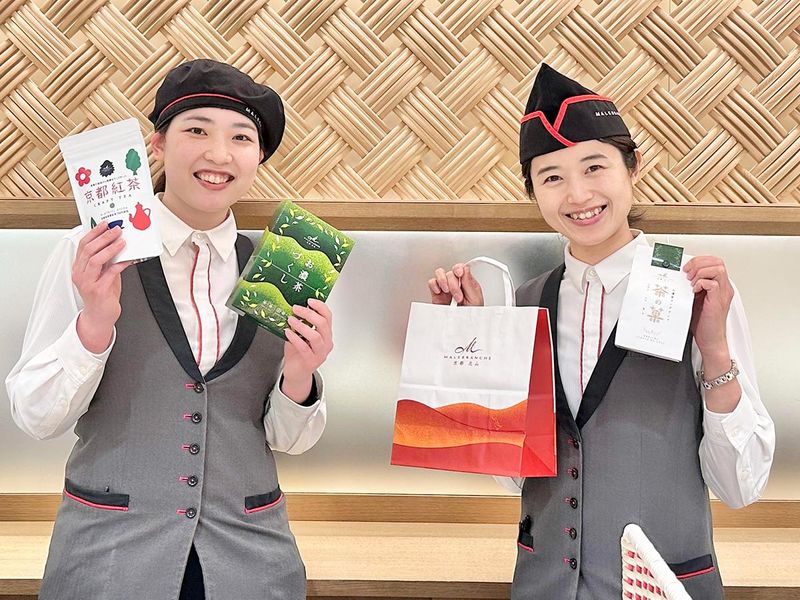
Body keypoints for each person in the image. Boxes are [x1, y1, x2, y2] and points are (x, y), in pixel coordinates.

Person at [428, 64, 774, 599]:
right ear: (534, 194)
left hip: (662, 586)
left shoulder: (696, 292)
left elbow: (740, 486)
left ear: (632, 168)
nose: (577, 194)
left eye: (594, 167)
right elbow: (515, 479)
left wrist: (714, 348)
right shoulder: (525, 302)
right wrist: (476, 348)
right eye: (552, 177)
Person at [6, 59, 333, 599]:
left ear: (259, 156)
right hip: (110, 556)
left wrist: (300, 374)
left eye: (241, 137)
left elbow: (289, 442)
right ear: (156, 145)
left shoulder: (284, 267)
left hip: (250, 559)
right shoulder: (93, 253)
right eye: (197, 130)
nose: (219, 154)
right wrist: (94, 324)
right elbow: (36, 416)